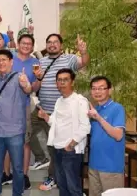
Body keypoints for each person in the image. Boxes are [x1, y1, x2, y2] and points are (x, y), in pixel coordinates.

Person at [32, 34, 89, 191]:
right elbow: (35, 85)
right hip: (45, 109)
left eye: (55, 42)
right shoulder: (41, 62)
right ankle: (40, 158)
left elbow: (83, 62)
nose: (52, 45)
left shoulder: (69, 59)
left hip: (63, 114)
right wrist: (38, 78)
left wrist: (83, 52)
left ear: (61, 45)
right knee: (25, 132)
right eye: (49, 42)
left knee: (56, 151)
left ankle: (52, 177)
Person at [0, 49, 32, 196]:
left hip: (14, 132)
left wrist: (25, 84)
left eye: (4, 59)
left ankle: (17, 193)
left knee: (17, 167)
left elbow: (28, 89)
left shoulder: (19, 77)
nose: (1, 62)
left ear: (11, 62)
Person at [38, 68, 90, 196]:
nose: (62, 82)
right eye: (59, 80)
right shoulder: (59, 101)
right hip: (57, 149)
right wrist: (46, 117)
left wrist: (71, 144)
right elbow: (54, 122)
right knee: (62, 186)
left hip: (71, 150)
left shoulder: (80, 101)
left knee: (73, 187)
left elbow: (85, 126)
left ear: (72, 82)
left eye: (65, 80)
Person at [88, 76, 126, 196]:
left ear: (109, 90)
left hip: (111, 168)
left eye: (101, 88)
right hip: (93, 166)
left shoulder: (117, 108)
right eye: (94, 89)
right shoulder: (95, 110)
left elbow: (118, 135)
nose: (97, 92)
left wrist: (99, 118)